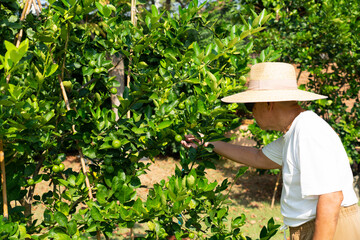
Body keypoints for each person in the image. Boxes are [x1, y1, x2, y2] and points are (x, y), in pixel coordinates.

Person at [181, 62, 360, 240]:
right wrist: (208, 143)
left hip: (332, 228)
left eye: (250, 106)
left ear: (268, 103)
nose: (251, 113)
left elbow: (331, 198)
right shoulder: (294, 132)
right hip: (318, 226)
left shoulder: (307, 130)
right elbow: (258, 157)